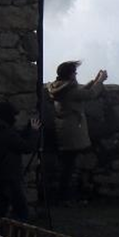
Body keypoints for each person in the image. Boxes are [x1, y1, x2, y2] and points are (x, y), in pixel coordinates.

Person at [46, 60, 107, 203]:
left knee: (66, 165)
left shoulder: (59, 88)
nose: (76, 74)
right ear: (70, 75)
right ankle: (65, 198)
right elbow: (90, 95)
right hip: (72, 131)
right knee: (69, 167)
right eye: (74, 72)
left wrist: (95, 80)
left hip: (63, 129)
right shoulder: (69, 90)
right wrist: (101, 80)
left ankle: (64, 196)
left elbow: (80, 93)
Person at [0, 101, 41, 221]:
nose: (15, 118)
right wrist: (34, 132)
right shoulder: (6, 133)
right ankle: (15, 236)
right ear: (7, 116)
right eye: (13, 115)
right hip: (11, 178)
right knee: (21, 210)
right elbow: (26, 147)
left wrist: (27, 129)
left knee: (2, 211)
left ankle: (0, 235)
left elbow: (16, 141)